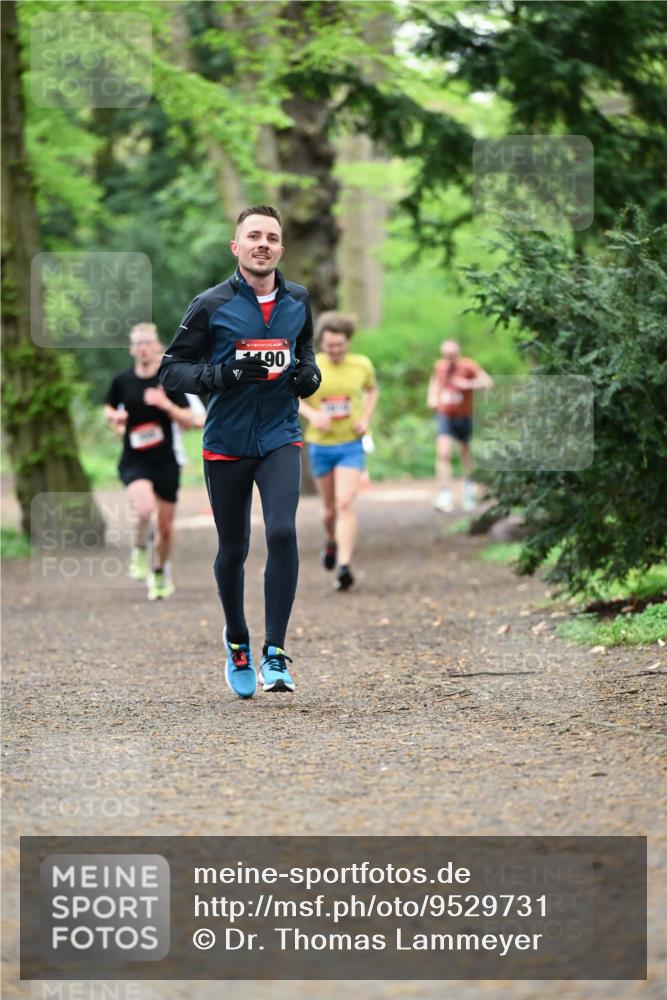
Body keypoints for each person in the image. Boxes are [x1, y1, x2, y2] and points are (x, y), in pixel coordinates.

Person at [159, 205, 321, 699]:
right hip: (226, 444)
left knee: (282, 531)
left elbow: (305, 350)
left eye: (272, 237)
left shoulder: (298, 299)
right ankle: (237, 643)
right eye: (254, 236)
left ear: (281, 249)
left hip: (279, 436)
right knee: (234, 549)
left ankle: (275, 651)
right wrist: (219, 377)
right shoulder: (210, 304)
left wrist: (310, 377)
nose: (263, 244)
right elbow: (171, 371)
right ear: (237, 247)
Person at [104, 323, 194, 599]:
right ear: (132, 349)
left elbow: (189, 421)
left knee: (166, 528)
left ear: (157, 346)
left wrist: (166, 404)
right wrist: (114, 420)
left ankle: (158, 573)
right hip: (135, 459)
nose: (143, 347)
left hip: (165, 461)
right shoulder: (122, 381)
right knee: (144, 511)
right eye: (138, 343)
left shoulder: (169, 379)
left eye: (148, 342)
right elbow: (108, 409)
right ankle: (140, 549)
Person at [299, 312, 378, 591]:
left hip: (350, 445)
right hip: (320, 445)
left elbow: (371, 391)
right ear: (321, 342)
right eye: (330, 345)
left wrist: (365, 418)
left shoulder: (361, 365)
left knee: (346, 502)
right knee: (329, 511)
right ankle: (331, 541)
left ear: (348, 342)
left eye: (340, 345)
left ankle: (344, 566)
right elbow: (292, 396)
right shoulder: (310, 365)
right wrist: (312, 415)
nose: (335, 350)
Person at [427, 339, 493, 512]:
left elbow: (487, 382)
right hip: (445, 415)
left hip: (464, 416)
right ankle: (444, 495)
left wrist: (468, 385)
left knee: (465, 452)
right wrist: (432, 398)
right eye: (445, 355)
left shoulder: (468, 366)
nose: (448, 358)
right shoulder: (439, 366)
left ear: (458, 353)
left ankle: (468, 491)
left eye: (451, 355)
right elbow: (434, 382)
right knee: (443, 453)